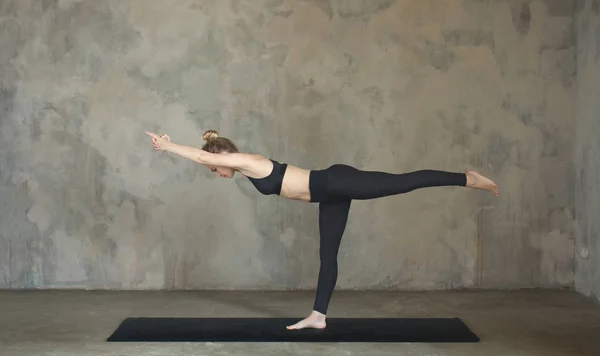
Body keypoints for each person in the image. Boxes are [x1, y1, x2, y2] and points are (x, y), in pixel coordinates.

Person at [145, 130, 499, 330]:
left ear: (224, 157)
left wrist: (168, 147)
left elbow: (207, 158)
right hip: (329, 194)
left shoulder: (247, 161)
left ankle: (468, 179)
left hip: (335, 181)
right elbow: (212, 161)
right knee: (326, 255)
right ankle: (318, 315)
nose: (217, 175)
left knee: (402, 183)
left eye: (216, 169)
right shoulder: (247, 167)